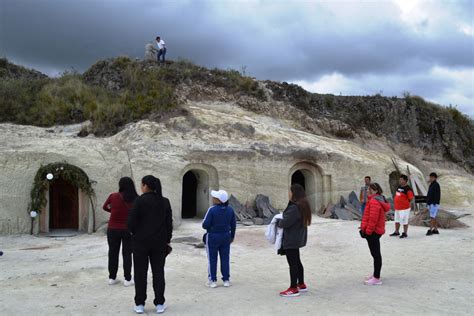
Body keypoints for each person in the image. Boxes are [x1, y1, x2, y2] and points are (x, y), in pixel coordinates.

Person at [128, 175, 173, 314]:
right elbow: (169, 224)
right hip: (159, 243)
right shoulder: (164, 201)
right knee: (158, 273)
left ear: (145, 186)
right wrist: (167, 240)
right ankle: (159, 303)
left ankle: (140, 303)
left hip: (140, 243)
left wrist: (136, 233)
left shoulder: (139, 201)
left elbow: (130, 223)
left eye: (141, 185)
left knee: (140, 273)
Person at [277, 183, 312, 297]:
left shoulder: (294, 207)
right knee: (297, 261)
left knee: (293, 263)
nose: (288, 194)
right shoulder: (303, 204)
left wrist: (278, 221)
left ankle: (293, 288)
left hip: (292, 238)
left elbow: (285, 223)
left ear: (294, 193)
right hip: (297, 237)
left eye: (290, 191)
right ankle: (301, 284)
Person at [103, 177, 138, 287]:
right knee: (127, 254)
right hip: (128, 229)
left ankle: (112, 278)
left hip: (112, 228)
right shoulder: (135, 198)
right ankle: (127, 279)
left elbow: (105, 207)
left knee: (113, 252)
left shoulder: (113, 196)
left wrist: (113, 211)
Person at [202, 190, 236, 288]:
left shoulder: (212, 210)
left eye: (215, 197)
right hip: (226, 236)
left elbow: (205, 225)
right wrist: (232, 236)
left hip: (212, 236)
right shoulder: (230, 210)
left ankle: (212, 280)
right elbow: (233, 224)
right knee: (225, 258)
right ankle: (226, 280)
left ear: (218, 200)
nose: (213, 198)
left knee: (212, 258)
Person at [360, 183, 390, 285]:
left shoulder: (374, 201)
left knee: (376, 255)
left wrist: (367, 231)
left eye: (370, 189)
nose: (368, 191)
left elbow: (373, 219)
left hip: (373, 231)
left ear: (376, 191)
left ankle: (376, 278)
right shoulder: (376, 200)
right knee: (375, 254)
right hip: (374, 231)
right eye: (368, 189)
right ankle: (375, 275)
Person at [389, 174, 414, 239]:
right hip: (397, 207)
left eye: (401, 180)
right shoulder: (399, 186)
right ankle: (396, 231)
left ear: (405, 181)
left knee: (404, 221)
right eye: (399, 179)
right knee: (397, 220)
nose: (399, 181)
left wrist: (405, 202)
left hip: (404, 208)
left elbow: (411, 198)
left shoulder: (408, 189)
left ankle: (405, 233)